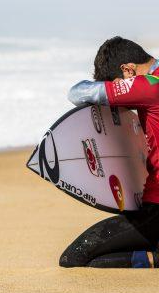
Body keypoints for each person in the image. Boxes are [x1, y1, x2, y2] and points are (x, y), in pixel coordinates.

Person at [60, 36, 159, 268]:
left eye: (117, 82)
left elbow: (78, 92)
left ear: (128, 70)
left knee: (73, 258)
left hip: (156, 211)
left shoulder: (150, 85)